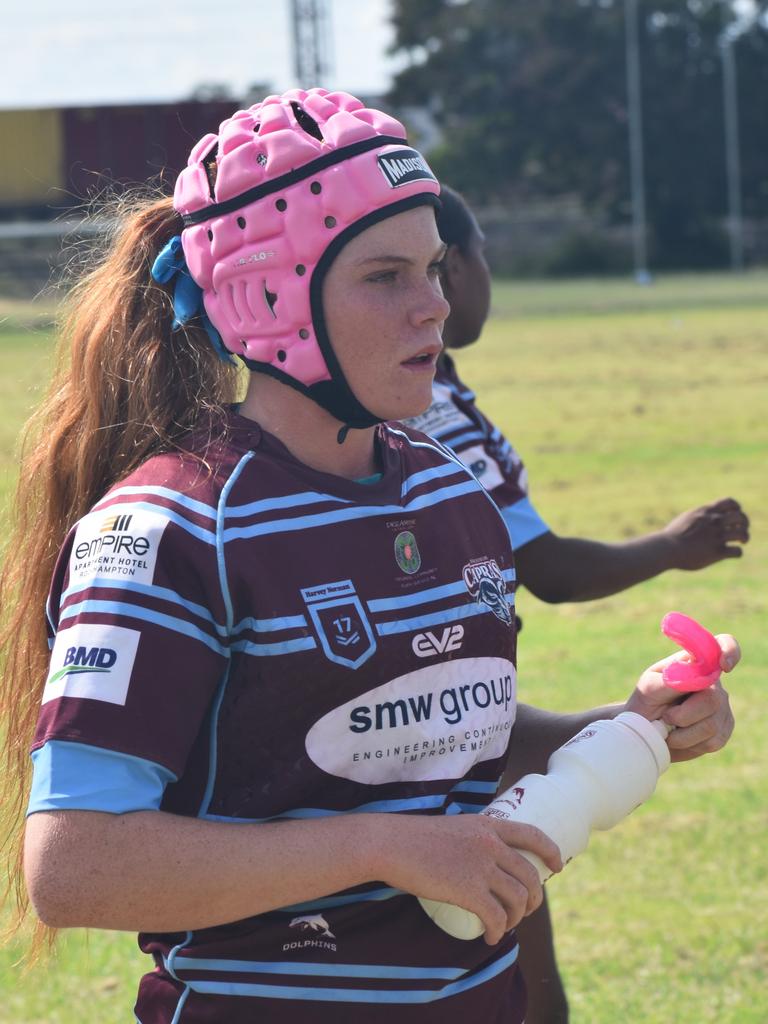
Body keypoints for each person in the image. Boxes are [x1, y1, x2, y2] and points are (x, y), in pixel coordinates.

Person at [0, 89, 736, 1024]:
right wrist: (382, 849)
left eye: (433, 268)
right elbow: (73, 868)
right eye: (386, 276)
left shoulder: (450, 490)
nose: (435, 305)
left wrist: (628, 725)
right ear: (269, 297)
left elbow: (437, 740)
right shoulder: (171, 528)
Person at [403, 184, 750, 1022]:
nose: (489, 276)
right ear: (447, 268)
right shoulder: (430, 412)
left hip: (465, 729)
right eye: (481, 255)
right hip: (445, 751)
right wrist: (668, 548)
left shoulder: (435, 400)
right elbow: (546, 566)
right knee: (523, 992)